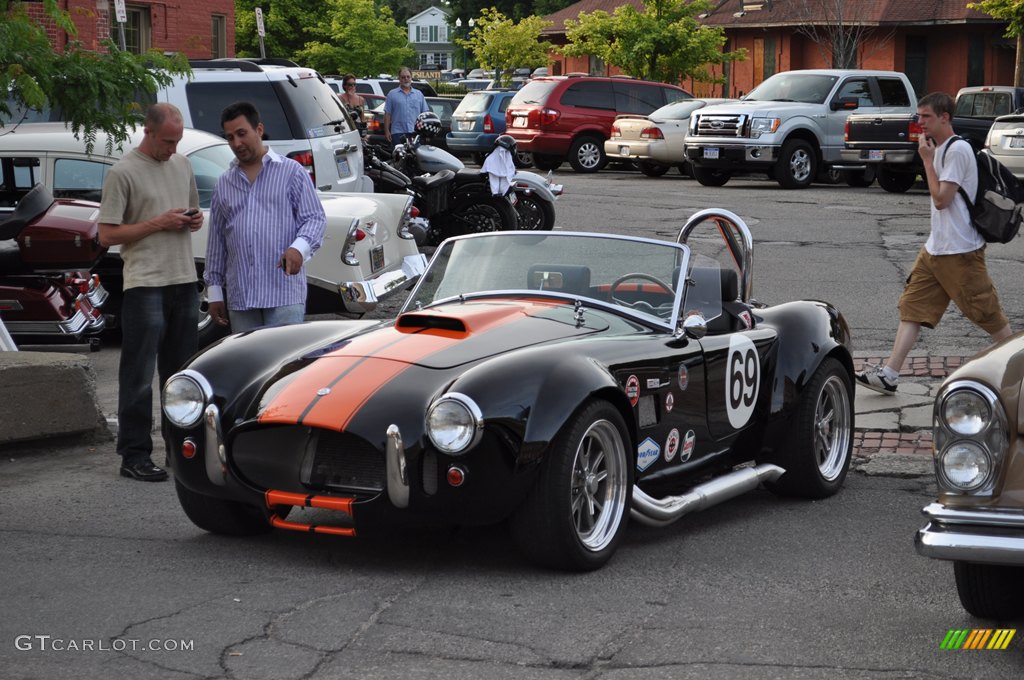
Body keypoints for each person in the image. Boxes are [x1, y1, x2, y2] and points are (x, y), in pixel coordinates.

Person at [856, 91, 1012, 395]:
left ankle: (1018, 368)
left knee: (989, 317)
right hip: (936, 249)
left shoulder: (957, 150)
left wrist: (926, 161)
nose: (920, 122)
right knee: (912, 308)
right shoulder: (938, 149)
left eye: (926, 116)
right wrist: (929, 157)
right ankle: (890, 374)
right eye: (919, 115)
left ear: (945, 117)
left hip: (961, 252)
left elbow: (942, 199)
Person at [98, 103, 203, 482]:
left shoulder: (182, 165)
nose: (172, 149)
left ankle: (180, 449)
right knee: (139, 374)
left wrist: (193, 219)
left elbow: (190, 214)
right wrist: (159, 222)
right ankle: (134, 453)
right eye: (166, 141)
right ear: (148, 131)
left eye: (177, 141)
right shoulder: (123, 172)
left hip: (183, 279)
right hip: (144, 282)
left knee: (181, 375)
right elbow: (107, 234)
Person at [205, 101, 326, 333]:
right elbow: (217, 243)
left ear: (259, 130)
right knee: (249, 365)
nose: (237, 143)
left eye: (242, 134)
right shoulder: (224, 183)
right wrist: (215, 292)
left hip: (283, 292)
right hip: (242, 297)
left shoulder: (292, 172)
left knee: (283, 364)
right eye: (230, 137)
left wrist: (298, 249)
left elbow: (314, 218)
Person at [383, 66, 429, 147]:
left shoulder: (419, 94)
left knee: (415, 157)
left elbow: (425, 114)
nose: (406, 79)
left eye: (408, 77)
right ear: (399, 79)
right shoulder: (392, 94)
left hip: (415, 133)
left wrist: (426, 133)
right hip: (398, 133)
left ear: (411, 78)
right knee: (399, 157)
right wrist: (387, 131)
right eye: (403, 77)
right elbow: (387, 114)